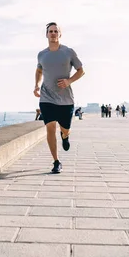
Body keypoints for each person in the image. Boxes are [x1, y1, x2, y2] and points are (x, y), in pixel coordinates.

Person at [34, 22, 84, 174]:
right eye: (51, 31)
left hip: (65, 99)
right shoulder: (42, 54)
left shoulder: (68, 52)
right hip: (46, 97)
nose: (53, 33)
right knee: (50, 127)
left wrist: (69, 81)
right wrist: (37, 85)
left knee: (65, 128)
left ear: (60, 34)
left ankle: (65, 135)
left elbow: (81, 71)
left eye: (56, 31)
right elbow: (39, 70)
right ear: (46, 34)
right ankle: (56, 161)